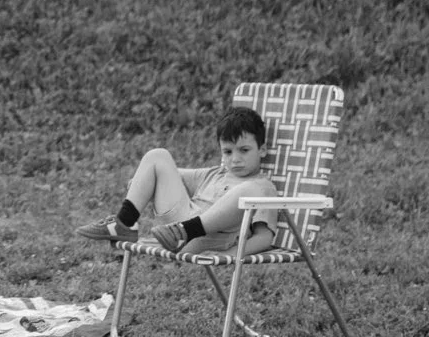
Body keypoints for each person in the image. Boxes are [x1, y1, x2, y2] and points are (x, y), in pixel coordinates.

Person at [74, 107, 281, 256]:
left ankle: (185, 231)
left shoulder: (262, 187)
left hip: (207, 239)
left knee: (249, 189)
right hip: (173, 232)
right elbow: (165, 172)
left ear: (262, 150)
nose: (235, 159)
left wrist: (231, 254)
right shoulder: (213, 174)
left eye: (244, 150)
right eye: (227, 151)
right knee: (158, 156)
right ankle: (124, 224)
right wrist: (141, 182)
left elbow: (264, 237)